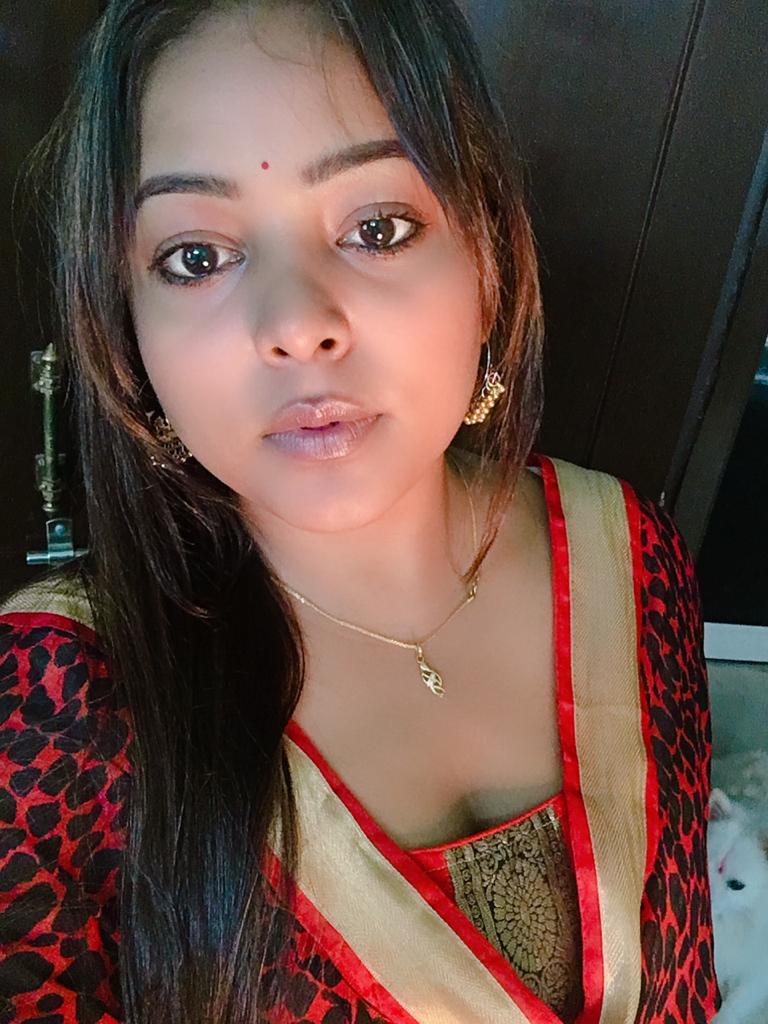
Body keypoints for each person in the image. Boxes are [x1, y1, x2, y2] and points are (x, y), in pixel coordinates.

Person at [0, 1, 719, 1022]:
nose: (297, 326)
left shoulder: (630, 551)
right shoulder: (51, 704)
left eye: (376, 228)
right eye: (196, 256)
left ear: (486, 255)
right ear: (128, 328)